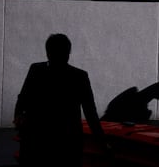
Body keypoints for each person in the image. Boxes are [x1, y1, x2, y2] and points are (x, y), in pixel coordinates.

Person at [13, 33, 110, 167]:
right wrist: (101, 141)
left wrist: (18, 117)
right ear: (68, 53)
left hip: (36, 140)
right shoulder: (79, 76)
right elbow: (90, 113)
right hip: (68, 142)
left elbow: (23, 98)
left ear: (47, 53)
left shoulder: (36, 70)